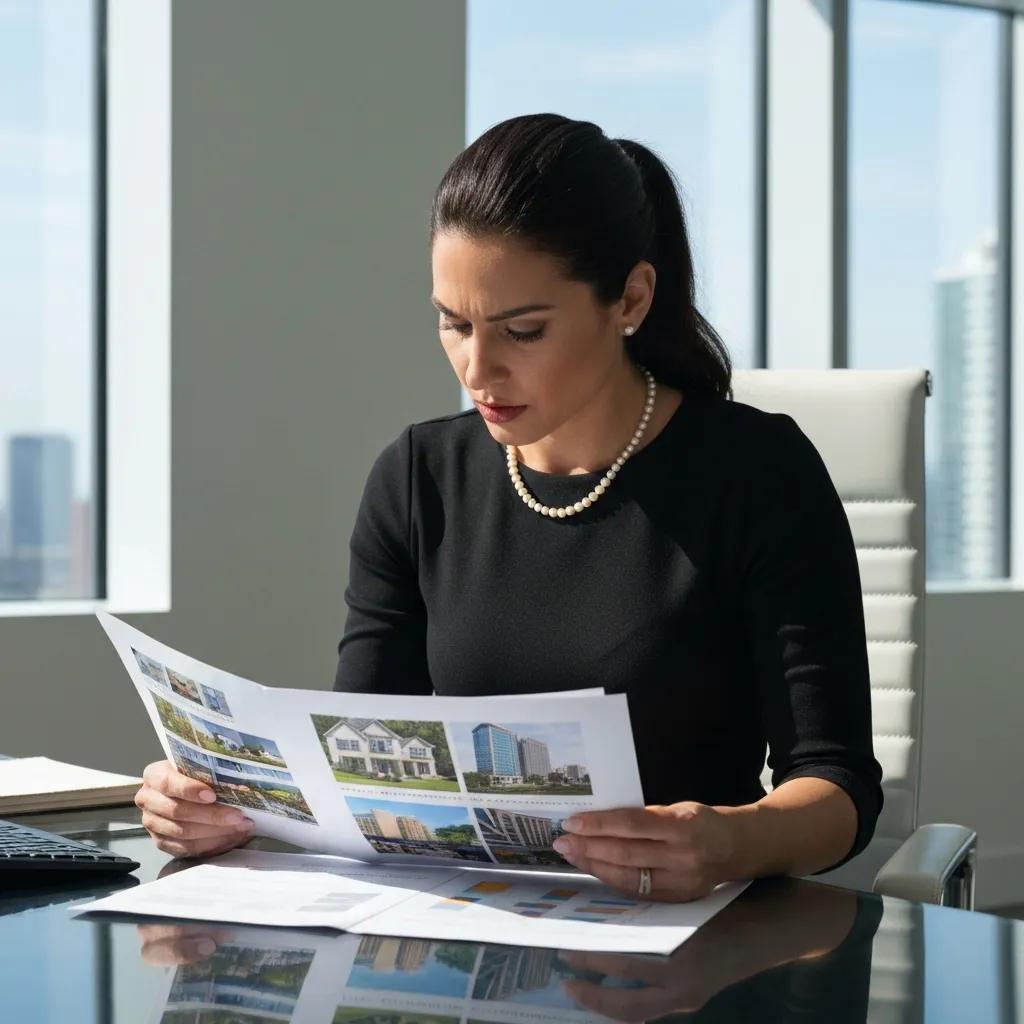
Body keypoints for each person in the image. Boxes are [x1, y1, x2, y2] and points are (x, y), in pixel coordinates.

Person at [134, 112, 883, 902]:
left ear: (630, 297)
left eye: (521, 331)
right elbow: (358, 761)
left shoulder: (756, 472)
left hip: (688, 946)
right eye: (453, 325)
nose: (477, 368)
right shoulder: (419, 477)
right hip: (467, 938)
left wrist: (729, 841)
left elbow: (838, 788)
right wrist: (226, 810)